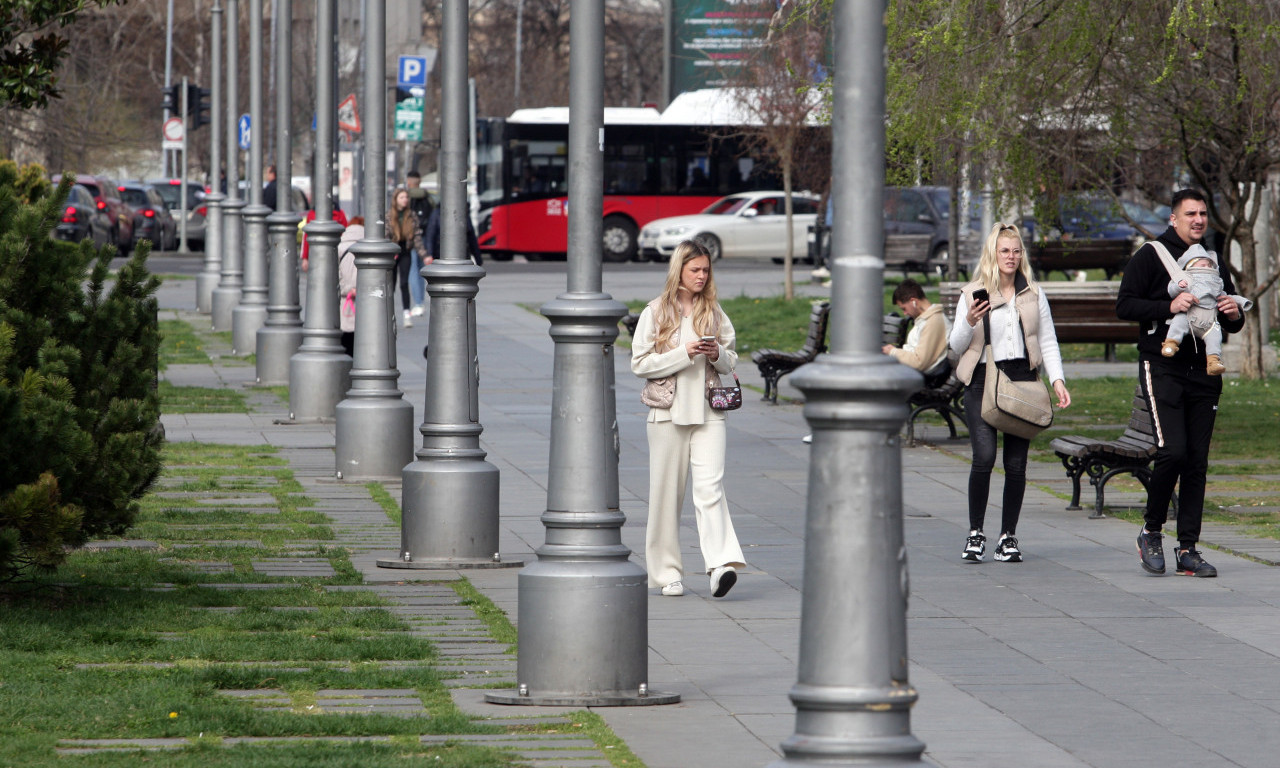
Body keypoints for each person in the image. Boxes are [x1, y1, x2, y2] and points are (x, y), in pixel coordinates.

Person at [1117, 189, 1244, 578]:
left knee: (1196, 461)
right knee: (1173, 451)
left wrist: (1234, 313)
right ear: (1174, 218)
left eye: (1203, 213)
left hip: (1204, 370)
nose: (1199, 220)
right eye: (1191, 214)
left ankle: (1188, 548)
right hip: (1163, 366)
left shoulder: (1213, 260)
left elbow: (1229, 319)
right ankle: (1151, 531)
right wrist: (1167, 306)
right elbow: (1125, 305)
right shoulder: (1151, 255)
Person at [948, 223, 1071, 564]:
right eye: (1005, 250)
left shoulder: (1032, 293)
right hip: (982, 379)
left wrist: (1057, 380)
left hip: (1022, 380)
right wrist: (969, 320)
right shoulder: (973, 293)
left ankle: (1007, 537)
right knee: (984, 457)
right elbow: (955, 346)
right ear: (993, 253)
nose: (1011, 257)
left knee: (1016, 464)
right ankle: (976, 533)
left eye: (1016, 251)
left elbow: (1047, 339)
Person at [630, 239, 746, 598]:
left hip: (710, 412)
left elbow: (731, 359)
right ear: (678, 269)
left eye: (706, 270)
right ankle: (667, 574)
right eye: (695, 269)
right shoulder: (655, 311)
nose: (701, 276)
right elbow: (640, 364)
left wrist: (716, 353)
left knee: (711, 488)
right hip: (667, 414)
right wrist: (683, 353)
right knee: (666, 496)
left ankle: (721, 565)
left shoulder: (713, 310)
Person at [1159, 244, 1251, 376]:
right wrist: (1179, 287)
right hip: (1189, 317)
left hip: (1210, 321)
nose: (1207, 267)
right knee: (1178, 322)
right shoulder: (1186, 278)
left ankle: (1213, 361)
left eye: (1209, 265)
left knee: (1215, 336)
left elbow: (1228, 296)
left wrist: (1241, 303)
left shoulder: (1217, 282)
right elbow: (1171, 290)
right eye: (1203, 265)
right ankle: (1171, 343)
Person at [883, 278, 951, 379]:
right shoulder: (927, 319)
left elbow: (919, 362)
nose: (905, 313)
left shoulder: (933, 322)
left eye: (904, 308)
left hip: (920, 377)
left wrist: (893, 352)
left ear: (913, 301)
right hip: (911, 373)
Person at [387, 187, 426, 328]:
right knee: (390, 284)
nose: (405, 200)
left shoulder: (411, 215)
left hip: (405, 251)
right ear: (396, 199)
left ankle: (406, 314)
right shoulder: (389, 215)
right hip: (391, 252)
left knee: (404, 283)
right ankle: (388, 314)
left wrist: (424, 255)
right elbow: (385, 235)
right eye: (402, 197)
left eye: (406, 197)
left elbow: (417, 238)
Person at [405, 171, 434, 317]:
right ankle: (421, 300)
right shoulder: (427, 197)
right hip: (425, 235)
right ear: (420, 181)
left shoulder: (406, 197)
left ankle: (418, 302)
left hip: (411, 236)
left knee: (413, 269)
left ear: (409, 182)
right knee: (422, 268)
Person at [336, 223, 363, 358]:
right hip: (362, 303)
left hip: (344, 301)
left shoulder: (338, 248)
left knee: (345, 341)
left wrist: (347, 289)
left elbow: (334, 278)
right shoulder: (367, 249)